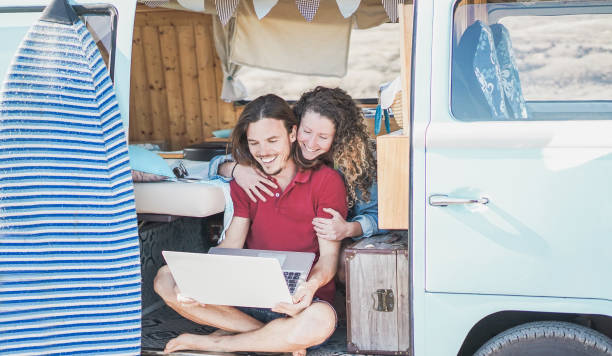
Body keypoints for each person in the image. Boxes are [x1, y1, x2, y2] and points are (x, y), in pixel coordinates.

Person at [154, 94, 348, 355]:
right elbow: (232, 244)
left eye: (272, 140)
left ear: (292, 134)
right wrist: (202, 281)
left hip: (300, 301)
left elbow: (328, 260)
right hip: (247, 293)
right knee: (165, 279)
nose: (263, 152)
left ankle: (216, 342)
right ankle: (274, 339)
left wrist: (309, 287)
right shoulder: (246, 180)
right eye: (254, 142)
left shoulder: (326, 181)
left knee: (319, 321)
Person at [210, 86, 382, 282]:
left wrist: (349, 229)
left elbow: (380, 217)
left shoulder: (352, 165)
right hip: (289, 254)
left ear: (339, 137)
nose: (310, 143)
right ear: (295, 129)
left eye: (323, 137)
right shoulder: (274, 152)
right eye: (306, 131)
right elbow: (221, 161)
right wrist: (235, 169)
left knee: (347, 261)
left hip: (340, 232)